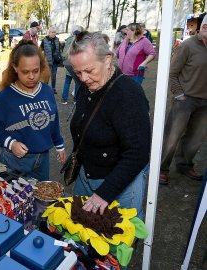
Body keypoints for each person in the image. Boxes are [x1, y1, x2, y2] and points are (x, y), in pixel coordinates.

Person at [68, 31, 151, 218]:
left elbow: (138, 152)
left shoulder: (128, 94)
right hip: (87, 176)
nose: (83, 78)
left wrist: (105, 193)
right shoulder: (86, 87)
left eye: (89, 71)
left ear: (107, 60)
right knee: (80, 237)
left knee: (115, 243)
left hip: (120, 186)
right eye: (78, 72)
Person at [0, 40, 66, 181]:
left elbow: (53, 120)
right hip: (14, 161)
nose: (31, 76)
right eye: (25, 72)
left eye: (36, 71)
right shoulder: (5, 97)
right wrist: (11, 143)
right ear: (15, 68)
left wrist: (60, 146)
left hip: (43, 159)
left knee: (40, 199)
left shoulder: (47, 91)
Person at [159, 15, 207, 185]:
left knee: (196, 137)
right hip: (185, 99)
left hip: (205, 103)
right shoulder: (188, 45)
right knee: (172, 136)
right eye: (204, 25)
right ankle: (162, 169)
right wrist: (179, 94)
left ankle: (185, 165)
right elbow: (172, 73)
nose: (205, 28)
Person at [61, 25, 84, 104]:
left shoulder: (68, 40)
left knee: (67, 82)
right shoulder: (79, 40)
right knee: (77, 82)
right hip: (75, 64)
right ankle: (75, 99)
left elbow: (64, 54)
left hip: (68, 63)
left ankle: (64, 99)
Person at [40, 26, 61, 95]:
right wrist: (43, 58)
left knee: (54, 75)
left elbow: (59, 49)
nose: (53, 34)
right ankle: (45, 89)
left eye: (54, 32)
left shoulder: (57, 40)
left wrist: (59, 56)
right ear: (49, 33)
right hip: (47, 61)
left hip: (55, 61)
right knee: (46, 76)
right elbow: (40, 50)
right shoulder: (45, 40)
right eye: (52, 32)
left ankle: (53, 89)